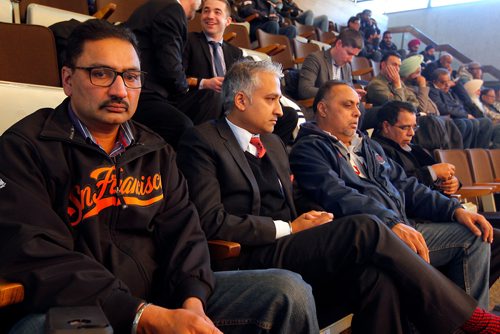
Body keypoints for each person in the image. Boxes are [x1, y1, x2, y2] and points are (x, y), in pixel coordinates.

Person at [0, 20, 320, 334]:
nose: (119, 90)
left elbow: (187, 234)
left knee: (287, 291)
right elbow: (37, 255)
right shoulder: (24, 148)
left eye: (131, 76)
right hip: (71, 310)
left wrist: (192, 301)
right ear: (68, 79)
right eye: (101, 74)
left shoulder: (155, 149)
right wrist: (142, 315)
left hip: (162, 298)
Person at [177, 60, 500, 333]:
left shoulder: (273, 143)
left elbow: (296, 200)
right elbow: (211, 222)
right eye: (272, 99)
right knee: (368, 227)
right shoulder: (203, 141)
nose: (280, 110)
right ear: (242, 100)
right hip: (246, 255)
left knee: (378, 277)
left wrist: (320, 218)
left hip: (289, 244)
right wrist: (290, 228)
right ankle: (470, 321)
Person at [290, 80, 493, 309]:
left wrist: (453, 210)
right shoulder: (309, 149)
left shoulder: (367, 146)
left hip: (402, 227)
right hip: (371, 239)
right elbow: (338, 195)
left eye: (358, 105)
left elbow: (407, 185)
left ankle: (460, 321)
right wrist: (390, 222)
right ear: (323, 109)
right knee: (472, 240)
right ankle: (471, 323)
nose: (357, 112)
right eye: (348, 105)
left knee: (481, 232)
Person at [371, 100, 500, 287]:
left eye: (414, 127)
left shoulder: (412, 147)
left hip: (438, 209)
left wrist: (453, 183)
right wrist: (431, 173)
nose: (411, 133)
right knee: (481, 236)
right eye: (405, 127)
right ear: (386, 126)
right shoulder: (378, 149)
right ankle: (461, 305)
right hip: (417, 217)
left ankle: (461, 299)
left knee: (492, 238)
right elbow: (399, 186)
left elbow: (438, 179)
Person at [183, 0, 298, 143]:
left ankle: (260, 156)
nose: (210, 16)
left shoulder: (235, 53)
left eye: (217, 12)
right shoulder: (188, 40)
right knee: (214, 96)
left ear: (228, 21)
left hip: (233, 105)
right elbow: (176, 78)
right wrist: (204, 83)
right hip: (200, 102)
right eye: (206, 11)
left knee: (289, 115)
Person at [366, 52, 461, 150]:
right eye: (394, 65)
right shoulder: (376, 85)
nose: (397, 69)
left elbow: (415, 102)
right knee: (433, 123)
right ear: (383, 65)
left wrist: (400, 93)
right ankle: (439, 156)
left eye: (399, 66)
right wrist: (398, 85)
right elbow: (399, 108)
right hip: (396, 124)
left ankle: (453, 156)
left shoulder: (396, 82)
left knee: (449, 124)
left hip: (410, 119)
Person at [429, 68, 493, 148]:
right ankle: (464, 153)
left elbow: (466, 101)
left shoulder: (449, 90)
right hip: (450, 118)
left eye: (448, 81)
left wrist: (457, 84)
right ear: (435, 82)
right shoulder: (432, 91)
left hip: (460, 115)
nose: (447, 85)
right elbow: (442, 108)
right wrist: (465, 115)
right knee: (469, 122)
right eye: (443, 82)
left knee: (486, 122)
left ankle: (480, 152)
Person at [298, 28, 363, 100]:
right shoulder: (315, 59)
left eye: (354, 55)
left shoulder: (346, 67)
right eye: (349, 53)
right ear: (339, 44)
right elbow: (304, 90)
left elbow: (347, 91)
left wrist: (352, 93)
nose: (351, 60)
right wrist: (337, 93)